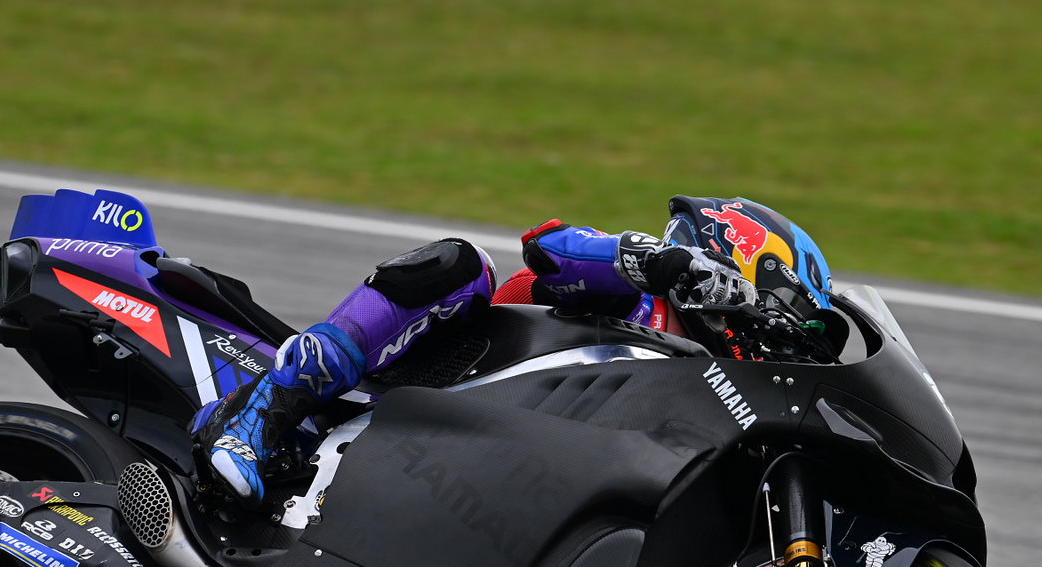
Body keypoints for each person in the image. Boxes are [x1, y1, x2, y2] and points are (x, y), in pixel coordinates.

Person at [192, 195, 832, 504]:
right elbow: (547, 248)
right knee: (462, 263)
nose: (779, 336)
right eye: (782, 314)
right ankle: (261, 413)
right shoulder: (643, 299)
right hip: (424, 385)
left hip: (488, 482)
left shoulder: (720, 387)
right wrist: (661, 264)